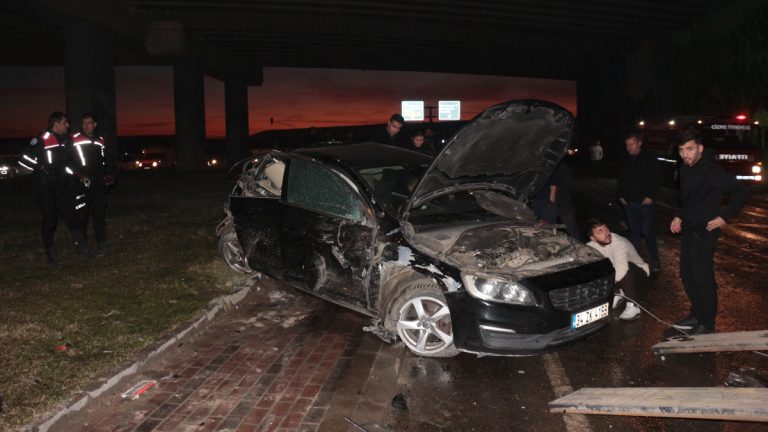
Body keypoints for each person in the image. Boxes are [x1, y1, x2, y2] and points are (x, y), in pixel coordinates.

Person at [670, 129, 747, 334]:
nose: (685, 154)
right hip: (689, 228)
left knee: (702, 276)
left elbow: (741, 191)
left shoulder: (711, 171)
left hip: (706, 230)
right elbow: (686, 199)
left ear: (700, 149)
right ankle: (697, 313)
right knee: (686, 274)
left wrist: (724, 217)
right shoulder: (685, 169)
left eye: (689, 149)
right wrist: (679, 215)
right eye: (681, 150)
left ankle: (708, 322)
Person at [18, 111, 93, 263]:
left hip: (60, 186)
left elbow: (65, 164)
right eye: (65, 122)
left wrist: (78, 175)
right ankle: (51, 255)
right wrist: (41, 168)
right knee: (50, 220)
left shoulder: (64, 140)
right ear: (56, 124)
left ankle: (83, 249)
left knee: (72, 216)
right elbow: (23, 160)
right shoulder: (42, 138)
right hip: (44, 187)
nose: (68, 125)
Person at [586, 218, 649, 321]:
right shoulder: (590, 247)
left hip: (638, 272)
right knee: (599, 267)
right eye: (600, 232)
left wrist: (605, 286)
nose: (606, 233)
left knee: (625, 267)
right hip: (617, 275)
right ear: (593, 238)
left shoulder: (618, 242)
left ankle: (633, 306)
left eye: (605, 228)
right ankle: (618, 293)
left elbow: (622, 268)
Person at [70, 113, 116, 252]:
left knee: (99, 215)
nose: (86, 126)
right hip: (81, 184)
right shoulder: (74, 139)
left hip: (98, 183)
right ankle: (82, 245)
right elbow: (67, 161)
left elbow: (107, 159)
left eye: (89, 123)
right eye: (84, 123)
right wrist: (78, 175)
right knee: (81, 216)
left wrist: (109, 176)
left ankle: (101, 242)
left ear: (95, 124)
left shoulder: (100, 140)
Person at [617, 132, 661, 271]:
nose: (629, 147)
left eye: (632, 144)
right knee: (634, 233)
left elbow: (656, 178)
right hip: (629, 202)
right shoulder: (625, 160)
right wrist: (620, 195)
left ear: (639, 143)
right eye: (627, 145)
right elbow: (621, 179)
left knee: (647, 231)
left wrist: (651, 196)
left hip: (645, 203)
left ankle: (654, 257)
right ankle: (635, 260)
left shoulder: (650, 158)